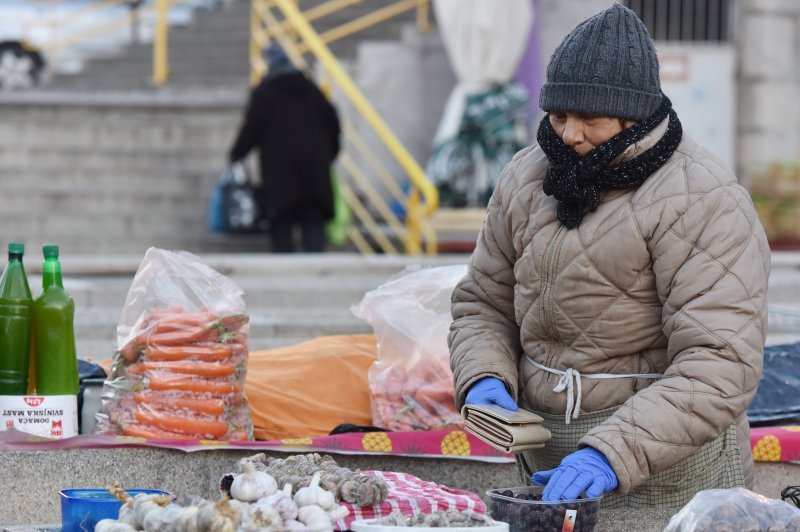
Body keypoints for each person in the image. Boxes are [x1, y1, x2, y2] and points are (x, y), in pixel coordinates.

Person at [449, 3, 770, 509]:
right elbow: (483, 302)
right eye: (558, 116)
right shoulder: (526, 176)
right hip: (548, 453)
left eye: (590, 119)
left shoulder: (702, 197)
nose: (569, 134)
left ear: (633, 117)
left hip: (669, 465)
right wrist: (484, 373)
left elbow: (719, 361)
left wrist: (610, 453)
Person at [229, 44, 341, 252]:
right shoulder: (312, 90)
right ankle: (316, 272)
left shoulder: (265, 93)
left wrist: (236, 155)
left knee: (282, 222)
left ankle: (285, 260)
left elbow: (251, 128)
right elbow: (333, 123)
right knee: (312, 221)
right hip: (314, 170)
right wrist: (330, 154)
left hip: (280, 173)